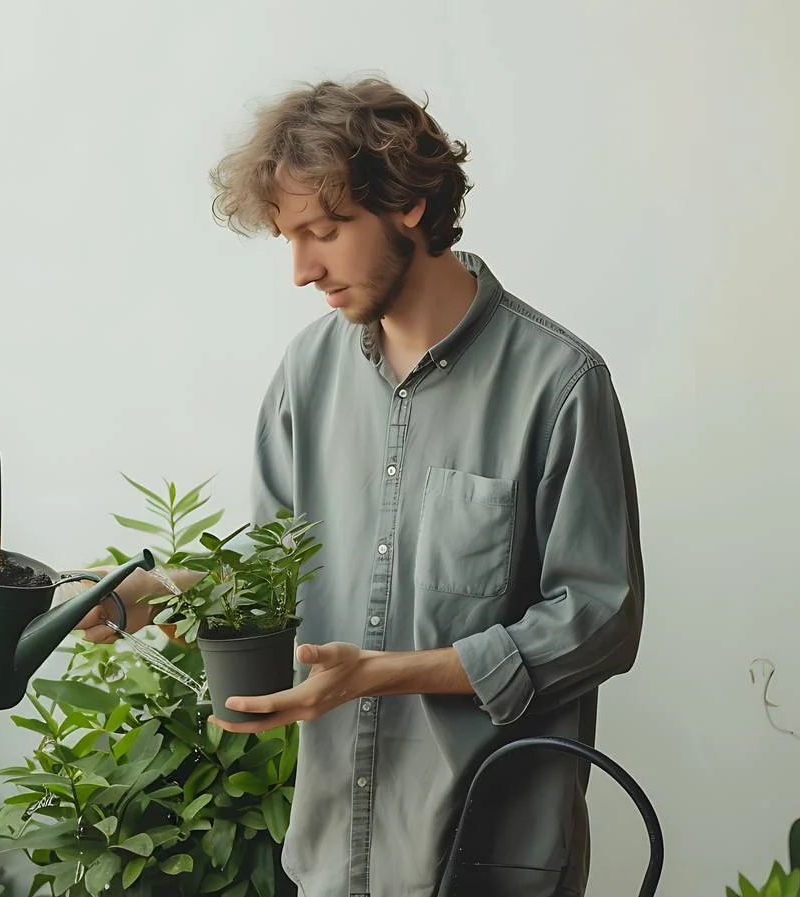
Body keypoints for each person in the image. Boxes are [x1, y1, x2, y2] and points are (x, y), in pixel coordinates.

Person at [75, 76, 645, 897]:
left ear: (407, 206)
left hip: (489, 862)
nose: (303, 269)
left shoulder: (559, 384)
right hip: (333, 858)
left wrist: (383, 671)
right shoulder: (306, 375)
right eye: (289, 238)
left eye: (326, 231)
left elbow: (599, 618)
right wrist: (153, 592)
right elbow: (280, 579)